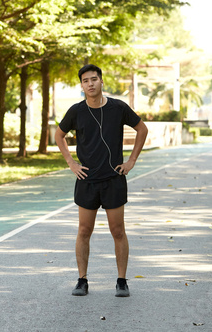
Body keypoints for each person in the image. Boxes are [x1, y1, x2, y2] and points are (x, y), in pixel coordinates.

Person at [55, 64, 148, 297]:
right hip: (87, 180)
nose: (90, 84)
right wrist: (71, 163)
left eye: (94, 79)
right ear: (82, 85)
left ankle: (122, 281)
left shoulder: (118, 107)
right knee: (84, 230)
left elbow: (142, 129)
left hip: (113, 179)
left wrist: (131, 160)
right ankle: (82, 280)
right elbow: (59, 134)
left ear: (101, 81)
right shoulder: (76, 111)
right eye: (85, 81)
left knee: (118, 231)